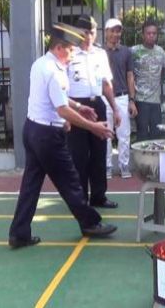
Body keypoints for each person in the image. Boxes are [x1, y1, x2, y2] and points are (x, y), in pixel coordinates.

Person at [8, 22, 118, 249]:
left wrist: (79, 106)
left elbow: (59, 99)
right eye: (70, 49)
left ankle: (19, 233)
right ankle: (90, 222)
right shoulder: (55, 71)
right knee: (70, 182)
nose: (72, 54)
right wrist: (93, 126)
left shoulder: (41, 64)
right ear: (59, 47)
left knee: (31, 184)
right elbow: (61, 109)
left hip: (33, 130)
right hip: (48, 135)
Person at [66, 15, 120, 209]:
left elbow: (106, 84)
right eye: (84, 32)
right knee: (78, 155)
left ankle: (99, 196)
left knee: (99, 153)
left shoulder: (100, 54)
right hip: (77, 107)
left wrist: (115, 108)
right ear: (78, 33)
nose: (88, 36)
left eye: (91, 32)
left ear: (96, 33)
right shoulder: (70, 54)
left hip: (97, 105)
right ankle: (80, 198)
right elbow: (62, 88)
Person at [104, 18, 137, 179]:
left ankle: (124, 165)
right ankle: (107, 166)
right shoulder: (99, 52)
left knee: (124, 134)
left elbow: (130, 76)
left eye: (118, 31)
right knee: (106, 133)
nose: (115, 34)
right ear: (106, 32)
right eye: (112, 30)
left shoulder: (126, 52)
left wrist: (132, 100)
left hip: (122, 97)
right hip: (104, 99)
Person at [132, 20, 165, 141]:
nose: (151, 35)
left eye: (154, 33)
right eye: (148, 33)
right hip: (140, 99)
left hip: (155, 101)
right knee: (142, 134)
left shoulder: (160, 51)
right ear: (143, 34)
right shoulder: (134, 51)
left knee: (156, 133)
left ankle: (154, 160)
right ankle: (142, 159)